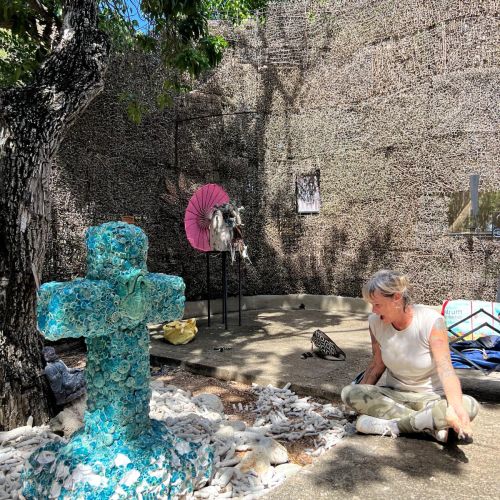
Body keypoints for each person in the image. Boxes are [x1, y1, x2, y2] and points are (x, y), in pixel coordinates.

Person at [341, 270, 479, 443]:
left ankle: (394, 426)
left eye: (377, 304)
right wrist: (359, 397)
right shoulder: (375, 323)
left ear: (397, 298)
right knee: (349, 393)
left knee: (469, 405)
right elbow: (377, 364)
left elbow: (446, 369)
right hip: (394, 397)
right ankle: (430, 425)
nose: (374, 310)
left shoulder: (431, 321)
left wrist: (455, 407)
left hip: (430, 399)